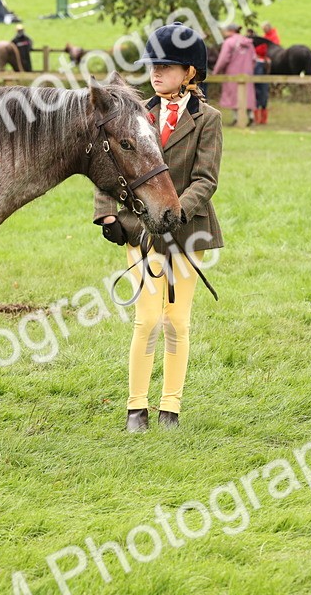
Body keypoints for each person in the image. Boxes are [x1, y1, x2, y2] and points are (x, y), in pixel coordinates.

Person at [96, 22, 223, 433]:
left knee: (177, 321)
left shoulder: (208, 120)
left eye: (166, 66)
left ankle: (171, 406)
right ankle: (136, 408)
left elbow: (206, 178)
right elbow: (111, 164)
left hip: (189, 229)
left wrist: (177, 212)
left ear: (190, 72)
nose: (156, 72)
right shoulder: (137, 113)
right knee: (147, 319)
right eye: (153, 65)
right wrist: (107, 214)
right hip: (140, 228)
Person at [212, 22, 256, 125]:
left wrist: (216, 71)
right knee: (248, 95)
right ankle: (250, 116)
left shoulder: (229, 42)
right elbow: (254, 59)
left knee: (233, 95)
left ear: (230, 31)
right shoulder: (248, 42)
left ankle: (237, 118)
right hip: (247, 73)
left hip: (232, 73)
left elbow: (223, 59)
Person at [251, 22, 279, 125]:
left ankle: (260, 118)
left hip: (262, 64)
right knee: (262, 91)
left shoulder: (272, 37)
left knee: (260, 90)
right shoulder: (269, 36)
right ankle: (260, 118)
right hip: (263, 64)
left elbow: (264, 50)